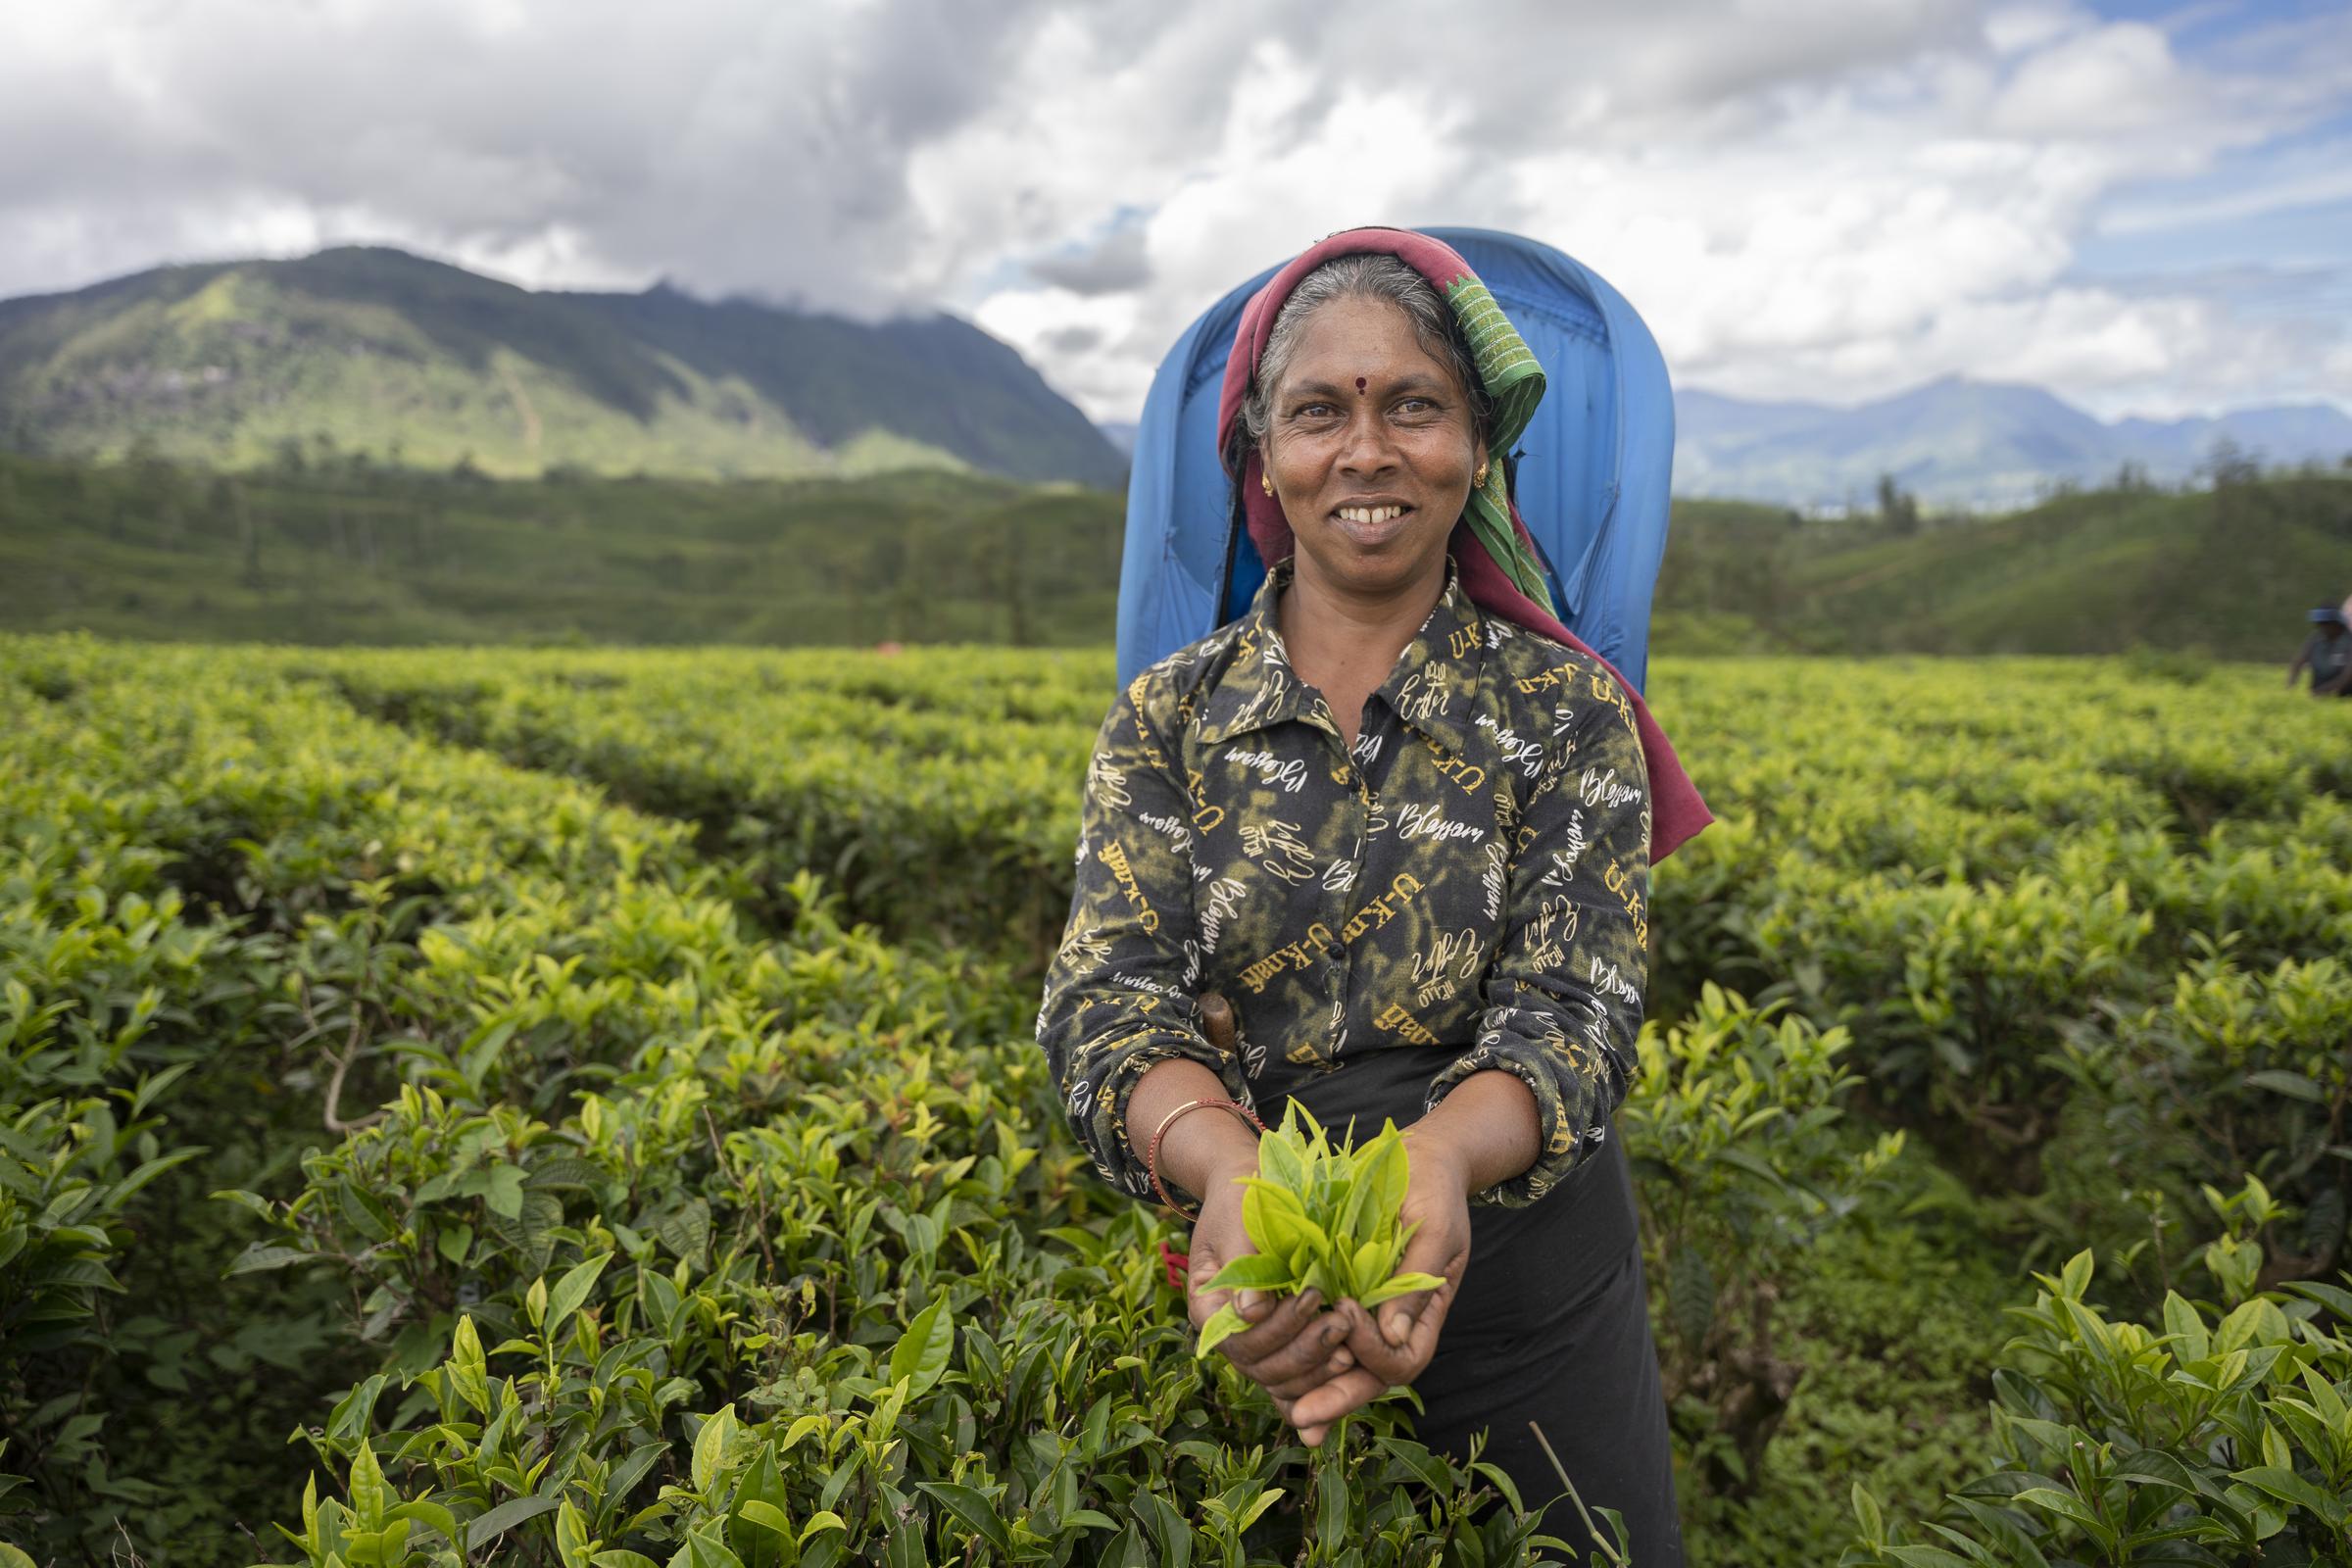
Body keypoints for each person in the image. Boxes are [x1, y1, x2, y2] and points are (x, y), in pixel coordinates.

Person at [1035, 227, 1711, 1563]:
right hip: (1262, 1271)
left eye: (1414, 405)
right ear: (1265, 462)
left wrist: (1442, 1159)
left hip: (1523, 1259)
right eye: (1317, 412)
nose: (1368, 450)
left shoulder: (1568, 714)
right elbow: (1107, 1001)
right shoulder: (1168, 721)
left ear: (1477, 446)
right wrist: (1229, 1173)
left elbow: (1578, 1004)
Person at [2287, 607, 2352, 697]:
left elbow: (2348, 676)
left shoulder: (2348, 641)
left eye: (2325, 624)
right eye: (2320, 624)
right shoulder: (2316, 639)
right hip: (2317, 692)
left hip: (2345, 694)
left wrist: (2323, 691)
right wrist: (2290, 686)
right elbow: (2298, 662)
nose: (2322, 628)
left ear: (2337, 624)